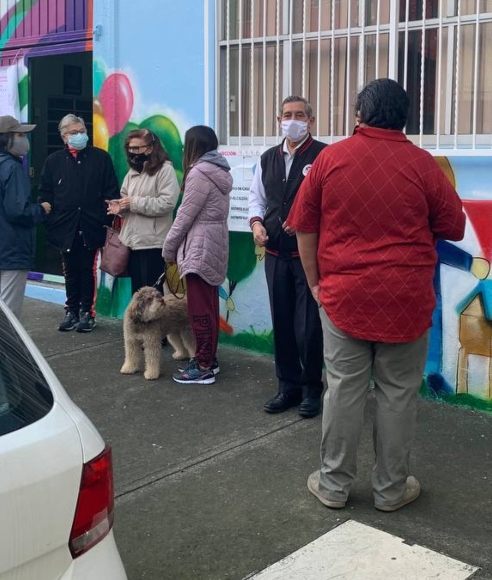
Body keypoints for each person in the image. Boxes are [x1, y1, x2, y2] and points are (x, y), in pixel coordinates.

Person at [287, 78, 465, 512]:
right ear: (405, 117)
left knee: (342, 391)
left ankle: (333, 486)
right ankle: (390, 490)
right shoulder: (423, 165)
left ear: (358, 115)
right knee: (398, 394)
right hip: (406, 299)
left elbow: (303, 226)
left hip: (343, 296)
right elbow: (455, 226)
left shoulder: (330, 159)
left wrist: (315, 283)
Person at [248, 96, 328, 419]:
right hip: (275, 254)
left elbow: (331, 205)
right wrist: (255, 224)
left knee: (308, 327)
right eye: (286, 115)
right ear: (278, 120)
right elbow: (258, 199)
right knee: (281, 322)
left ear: (310, 121)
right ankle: (287, 387)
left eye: (299, 115)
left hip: (307, 257)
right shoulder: (268, 158)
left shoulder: (324, 156)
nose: (292, 120)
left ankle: (311, 388)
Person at [161, 126, 232, 385]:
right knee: (209, 307)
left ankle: (203, 365)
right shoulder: (218, 170)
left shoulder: (199, 173)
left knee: (200, 311)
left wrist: (168, 249)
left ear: (193, 146)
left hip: (200, 247)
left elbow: (184, 216)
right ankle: (208, 360)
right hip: (213, 243)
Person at [39, 114, 120, 333]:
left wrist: (105, 219)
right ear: (64, 137)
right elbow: (45, 194)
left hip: (91, 224)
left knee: (87, 269)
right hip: (64, 225)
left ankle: (87, 312)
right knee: (69, 269)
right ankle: (71, 311)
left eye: (82, 131)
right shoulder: (54, 161)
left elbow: (111, 191)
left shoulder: (101, 158)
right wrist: (51, 218)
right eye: (74, 133)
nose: (79, 136)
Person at [0, 115, 50, 316]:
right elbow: (18, 211)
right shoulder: (12, 167)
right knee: (9, 312)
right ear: (7, 138)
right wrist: (42, 209)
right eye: (21, 134)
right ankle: (7, 347)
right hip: (12, 247)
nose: (25, 139)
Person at [106, 129, 179, 293]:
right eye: (130, 148)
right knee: (137, 294)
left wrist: (133, 203)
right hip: (132, 243)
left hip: (153, 243)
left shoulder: (165, 170)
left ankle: (153, 321)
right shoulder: (132, 172)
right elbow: (126, 198)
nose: (133, 153)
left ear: (151, 148)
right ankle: (138, 320)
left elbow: (167, 203)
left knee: (151, 296)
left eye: (137, 148)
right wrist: (120, 207)